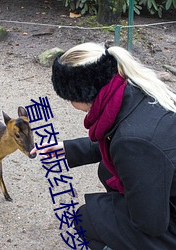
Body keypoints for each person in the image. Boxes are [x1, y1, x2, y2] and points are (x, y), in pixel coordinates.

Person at [31, 42, 176, 250]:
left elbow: (151, 224)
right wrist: (69, 149)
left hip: (167, 225)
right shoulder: (136, 88)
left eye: (68, 98)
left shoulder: (133, 142)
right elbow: (122, 139)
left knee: (86, 218)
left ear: (80, 94)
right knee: (106, 170)